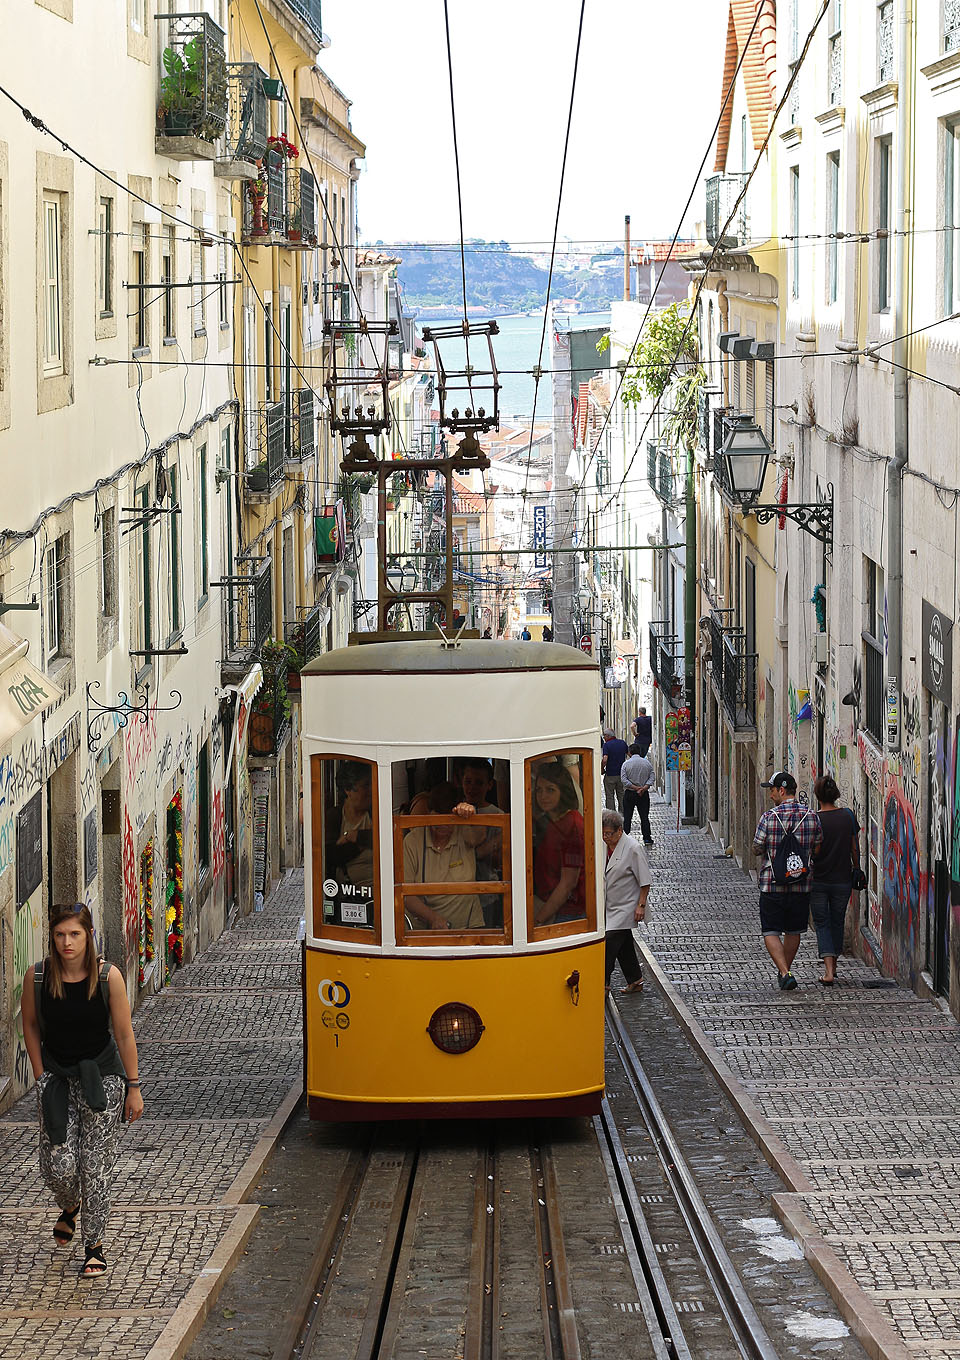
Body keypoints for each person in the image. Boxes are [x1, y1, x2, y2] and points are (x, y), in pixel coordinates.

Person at [20, 904, 144, 1279]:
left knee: (95, 1165)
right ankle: (69, 1206)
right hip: (57, 1079)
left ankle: (94, 1245)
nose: (66, 942)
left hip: (102, 1078)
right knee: (59, 1165)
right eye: (59, 935)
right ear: (52, 938)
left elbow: (123, 1034)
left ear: (88, 935)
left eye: (74, 934)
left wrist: (133, 1086)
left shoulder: (109, 977)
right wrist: (41, 1078)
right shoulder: (38, 977)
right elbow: (29, 1026)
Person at [753, 771, 823, 990]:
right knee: (793, 930)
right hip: (801, 884)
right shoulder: (811, 816)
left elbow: (757, 847)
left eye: (772, 790)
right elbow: (818, 846)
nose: (771, 794)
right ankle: (785, 971)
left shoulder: (768, 817)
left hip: (772, 884)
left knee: (770, 930)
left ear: (781, 790)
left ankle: (784, 971)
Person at [402, 782, 486, 929]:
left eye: (449, 820)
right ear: (429, 813)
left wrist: (472, 815)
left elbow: (480, 834)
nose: (443, 825)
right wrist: (433, 919)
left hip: (469, 928)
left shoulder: (466, 833)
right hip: (422, 930)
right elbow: (405, 893)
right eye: (437, 819)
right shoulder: (412, 841)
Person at [810, 775, 861, 985]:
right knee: (837, 921)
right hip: (842, 880)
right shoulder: (847, 816)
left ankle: (829, 972)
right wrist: (857, 868)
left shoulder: (814, 820)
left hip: (819, 880)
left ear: (818, 796)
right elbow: (854, 848)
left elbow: (815, 851)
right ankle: (834, 965)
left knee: (822, 923)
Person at [601, 809, 651, 994]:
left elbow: (645, 880)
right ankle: (635, 980)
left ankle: (603, 982)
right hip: (608, 904)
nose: (605, 837)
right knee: (624, 945)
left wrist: (641, 905)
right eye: (603, 833)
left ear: (620, 830)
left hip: (626, 906)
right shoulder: (603, 845)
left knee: (609, 943)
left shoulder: (633, 848)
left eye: (609, 833)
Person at [532, 762, 586, 925]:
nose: (543, 796)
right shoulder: (550, 820)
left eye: (550, 790)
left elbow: (568, 883)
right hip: (551, 904)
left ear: (563, 791)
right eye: (539, 790)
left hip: (565, 912)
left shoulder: (572, 826)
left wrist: (539, 919)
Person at [324, 762, 375, 923]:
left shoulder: (376, 813)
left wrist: (355, 836)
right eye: (365, 786)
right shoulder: (335, 816)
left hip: (378, 895)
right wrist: (365, 840)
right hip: (347, 896)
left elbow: (388, 841)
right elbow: (332, 855)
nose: (371, 791)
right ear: (348, 790)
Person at [459, 758, 505, 927]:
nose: (472, 788)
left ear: (490, 785)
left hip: (487, 894)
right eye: (468, 782)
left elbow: (499, 862)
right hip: (459, 895)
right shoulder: (455, 812)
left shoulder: (498, 816)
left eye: (479, 783)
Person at [621, 743, 655, 845]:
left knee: (627, 817)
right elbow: (652, 777)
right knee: (644, 817)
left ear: (630, 753)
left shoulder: (626, 764)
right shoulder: (647, 763)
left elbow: (624, 780)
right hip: (643, 794)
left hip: (630, 793)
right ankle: (647, 838)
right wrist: (643, 788)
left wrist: (635, 788)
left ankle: (624, 838)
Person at [601, 728, 628, 814]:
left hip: (610, 774)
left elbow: (605, 759)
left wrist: (602, 768)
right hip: (621, 775)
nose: (603, 738)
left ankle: (612, 816)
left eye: (604, 736)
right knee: (621, 795)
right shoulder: (622, 743)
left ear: (608, 736)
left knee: (609, 796)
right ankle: (623, 815)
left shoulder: (607, 745)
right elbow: (630, 754)